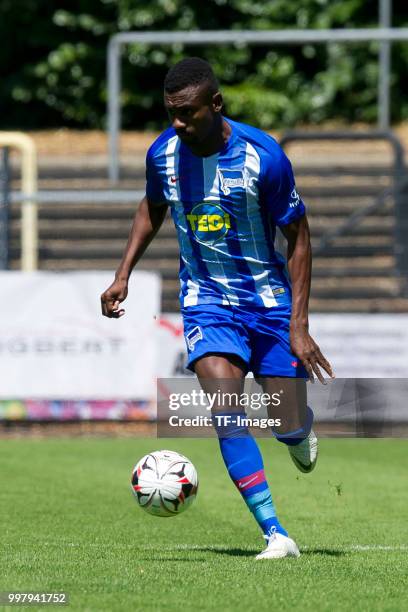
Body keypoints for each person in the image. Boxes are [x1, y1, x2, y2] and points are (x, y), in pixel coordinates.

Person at [101, 57, 334, 559]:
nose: (179, 125)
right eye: (171, 114)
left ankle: (298, 431)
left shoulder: (263, 157)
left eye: (188, 113)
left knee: (286, 421)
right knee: (226, 411)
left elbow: (299, 237)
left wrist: (299, 325)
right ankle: (276, 533)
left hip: (268, 305)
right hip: (206, 302)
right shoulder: (163, 155)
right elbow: (151, 205)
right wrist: (123, 274)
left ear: (216, 103)